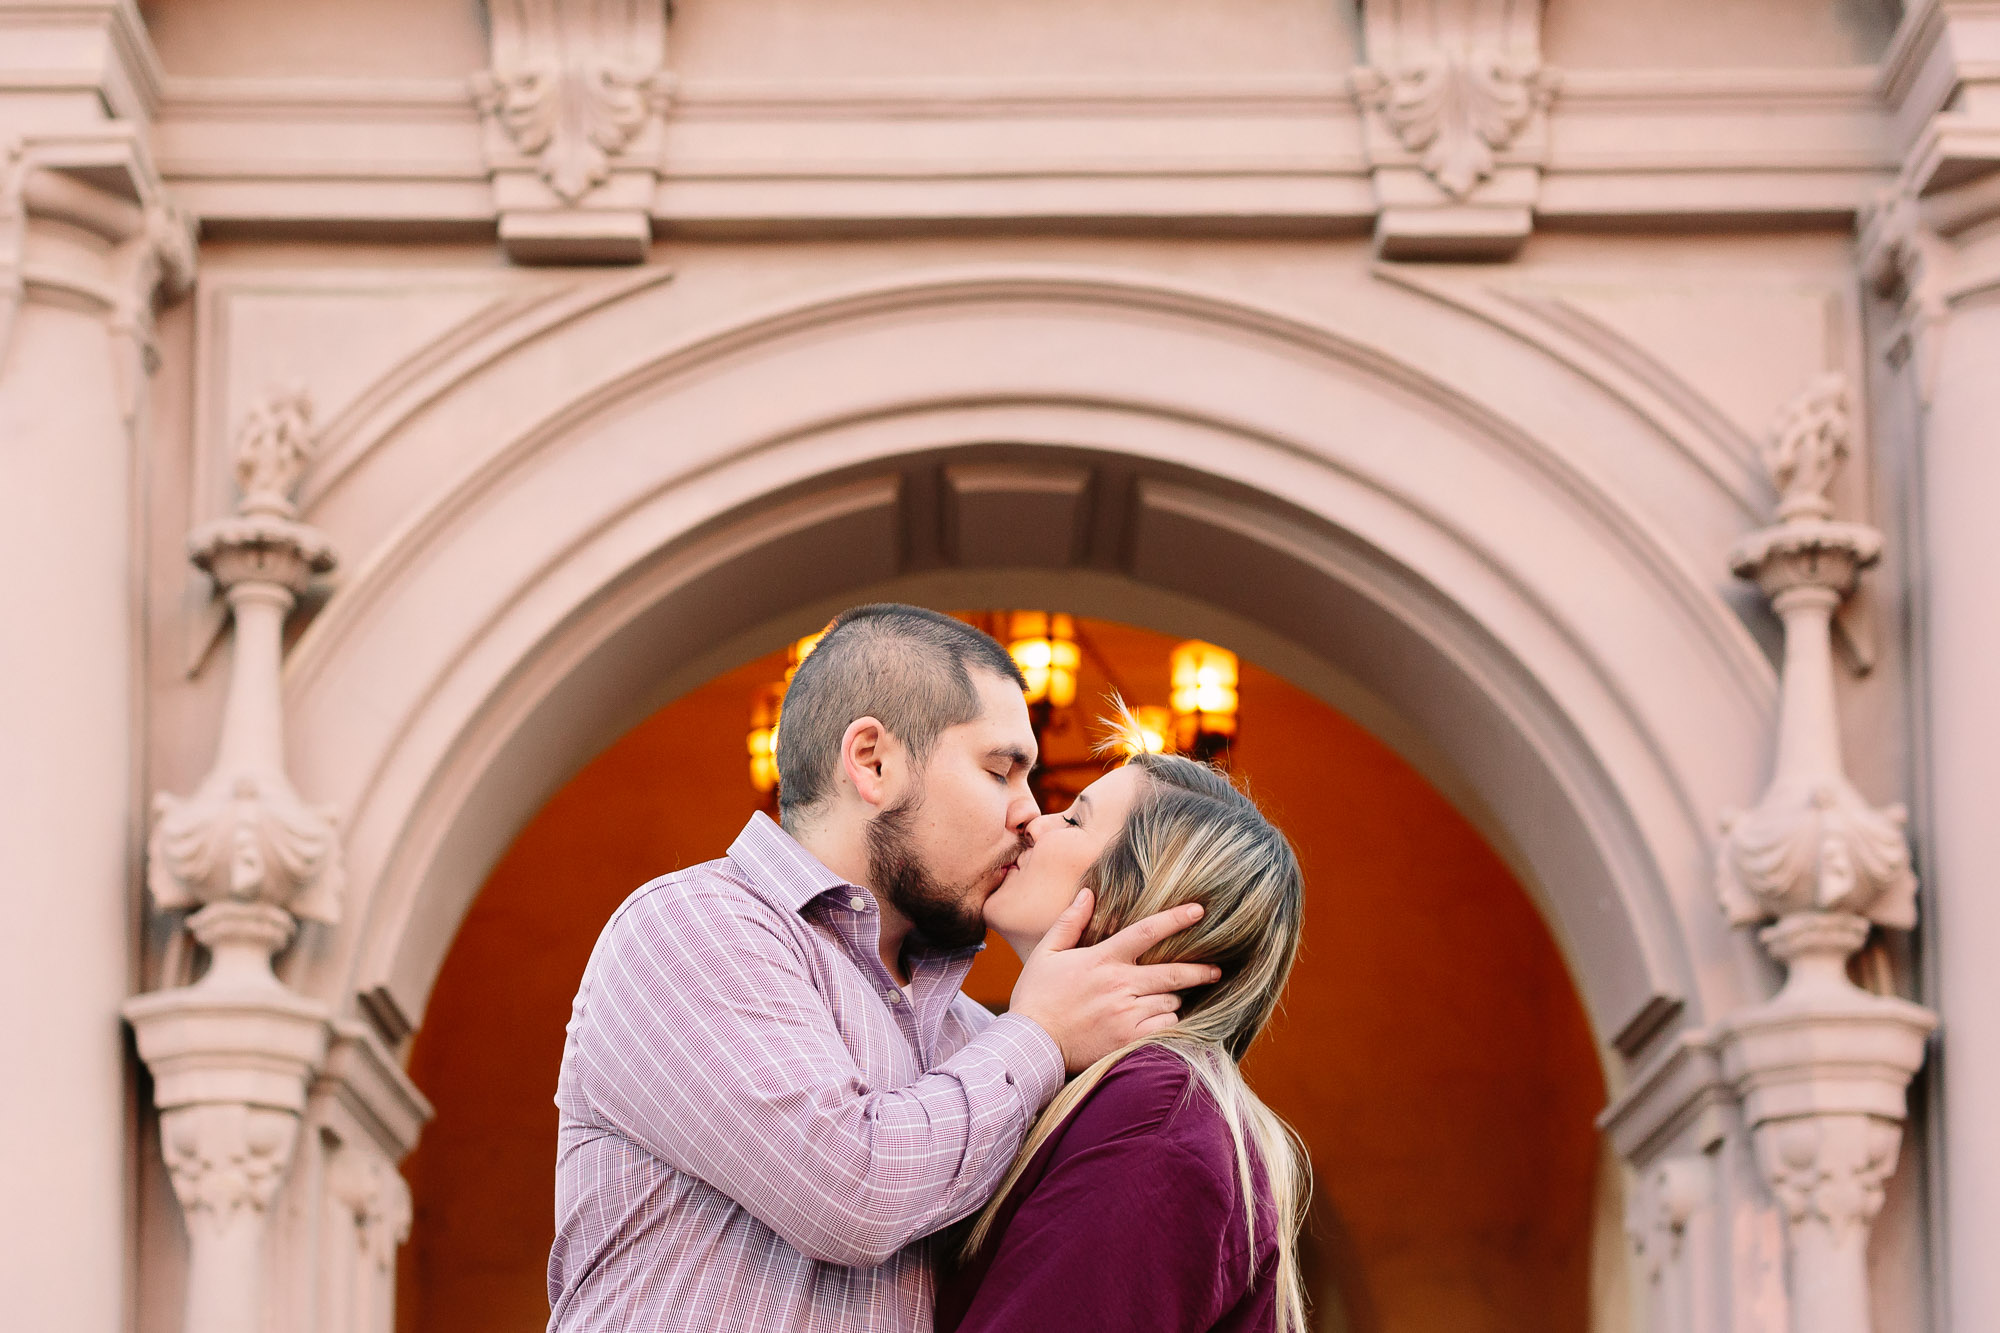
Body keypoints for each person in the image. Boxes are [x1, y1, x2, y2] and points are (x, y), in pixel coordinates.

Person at [547, 604, 1220, 1332]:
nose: (1030, 812)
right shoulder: (690, 927)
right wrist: (1040, 1035)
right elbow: (847, 1190)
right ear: (872, 761)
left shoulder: (975, 1037)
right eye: (1000, 770)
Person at [935, 724, 1310, 1333]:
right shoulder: (1127, 1094)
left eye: (1076, 820)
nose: (1034, 820)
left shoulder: (1157, 1115)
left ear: (1144, 895)